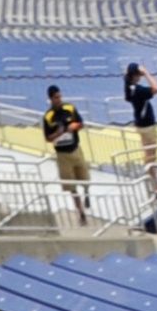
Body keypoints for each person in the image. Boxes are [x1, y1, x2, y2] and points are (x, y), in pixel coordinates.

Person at [42, 87, 91, 220]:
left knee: (85, 177)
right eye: (56, 97)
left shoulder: (70, 108)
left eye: (60, 97)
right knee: (71, 186)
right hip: (62, 155)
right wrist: (58, 133)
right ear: (51, 99)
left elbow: (81, 123)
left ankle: (87, 192)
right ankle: (81, 212)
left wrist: (73, 127)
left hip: (75, 149)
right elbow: (47, 138)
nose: (59, 100)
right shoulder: (48, 116)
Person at [122, 63, 157, 184]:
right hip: (147, 126)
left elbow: (125, 75)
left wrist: (135, 71)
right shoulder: (139, 91)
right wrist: (147, 74)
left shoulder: (128, 86)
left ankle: (152, 181)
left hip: (140, 124)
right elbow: (156, 89)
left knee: (147, 154)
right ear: (135, 75)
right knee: (151, 156)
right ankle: (154, 183)